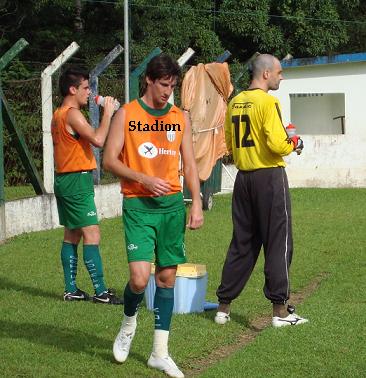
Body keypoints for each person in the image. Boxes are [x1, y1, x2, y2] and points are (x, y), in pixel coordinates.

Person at [103, 54, 203, 378]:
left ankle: (160, 353)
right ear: (148, 79)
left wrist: (197, 202)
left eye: (172, 86)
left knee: (167, 277)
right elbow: (108, 160)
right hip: (138, 205)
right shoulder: (126, 114)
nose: (167, 93)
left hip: (172, 207)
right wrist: (144, 179)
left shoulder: (179, 117)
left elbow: (189, 163)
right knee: (139, 278)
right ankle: (129, 322)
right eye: (163, 85)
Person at [214, 54, 308, 327]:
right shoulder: (268, 101)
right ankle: (280, 311)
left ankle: (223, 306)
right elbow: (279, 144)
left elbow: (229, 144)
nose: (282, 76)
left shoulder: (235, 102)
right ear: (266, 73)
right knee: (279, 241)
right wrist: (296, 143)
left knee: (242, 242)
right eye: (279, 72)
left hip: (243, 180)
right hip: (269, 177)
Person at [51, 67, 122, 304]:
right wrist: (108, 113)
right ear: (72, 89)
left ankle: (71, 289)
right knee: (92, 233)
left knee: (72, 234)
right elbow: (99, 140)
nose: (89, 93)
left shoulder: (58, 114)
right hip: (76, 180)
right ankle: (101, 292)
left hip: (65, 180)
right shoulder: (72, 114)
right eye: (85, 87)